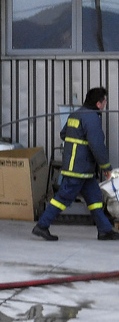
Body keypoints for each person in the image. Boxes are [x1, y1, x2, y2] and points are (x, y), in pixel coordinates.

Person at [34, 86, 117, 241]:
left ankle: (105, 230)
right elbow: (97, 145)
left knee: (95, 198)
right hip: (78, 169)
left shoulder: (75, 115)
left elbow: (63, 134)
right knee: (64, 197)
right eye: (105, 101)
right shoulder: (92, 118)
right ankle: (42, 225)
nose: (105, 104)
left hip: (82, 169)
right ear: (99, 103)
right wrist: (107, 167)